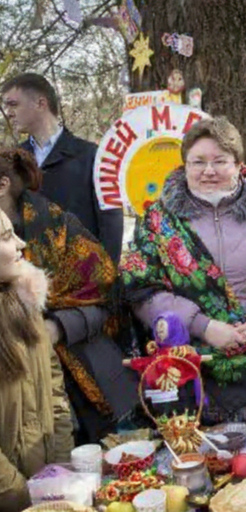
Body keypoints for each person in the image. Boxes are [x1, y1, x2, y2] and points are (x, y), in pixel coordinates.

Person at [121, 117, 246, 423]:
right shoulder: (159, 220)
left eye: (219, 161)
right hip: (190, 367)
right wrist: (204, 326)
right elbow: (141, 290)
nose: (208, 171)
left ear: (239, 164)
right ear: (184, 165)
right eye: (198, 162)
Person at [0, 148, 136, 444]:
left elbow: (110, 302)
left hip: (90, 379)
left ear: (3, 185)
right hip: (21, 404)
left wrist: (58, 327)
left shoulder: (58, 229)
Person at [1, 73, 123, 263]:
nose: (7, 112)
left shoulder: (93, 156)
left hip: (82, 279)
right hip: (29, 280)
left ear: (41, 104)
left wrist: (106, 279)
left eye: (13, 104)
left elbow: (111, 222)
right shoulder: (11, 162)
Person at [0, 208, 73, 511]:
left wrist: (57, 471)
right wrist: (20, 495)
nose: (20, 243)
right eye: (5, 236)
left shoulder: (25, 301)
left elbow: (55, 390)